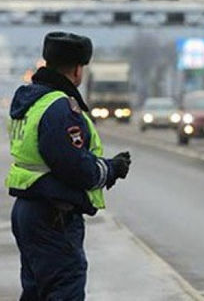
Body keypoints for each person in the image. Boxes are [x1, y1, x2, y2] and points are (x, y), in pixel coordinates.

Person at [6, 32, 132, 300]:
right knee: (65, 286)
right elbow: (75, 167)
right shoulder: (60, 108)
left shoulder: (31, 101)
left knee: (36, 290)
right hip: (53, 215)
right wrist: (111, 169)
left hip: (29, 209)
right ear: (77, 70)